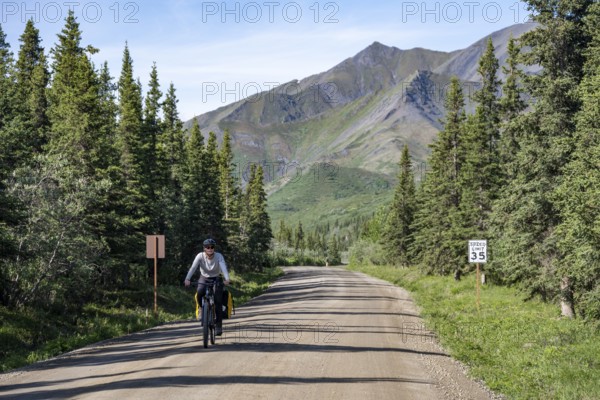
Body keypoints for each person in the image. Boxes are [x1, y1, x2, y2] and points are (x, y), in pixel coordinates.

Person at [184, 238, 230, 335]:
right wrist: (187, 279)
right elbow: (193, 267)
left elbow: (223, 268)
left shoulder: (218, 256)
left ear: (214, 248)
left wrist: (227, 279)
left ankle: (218, 326)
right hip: (204, 278)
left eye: (212, 247)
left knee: (218, 300)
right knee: (200, 292)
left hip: (216, 278)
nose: (210, 249)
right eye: (207, 247)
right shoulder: (200, 256)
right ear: (204, 248)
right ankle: (201, 309)